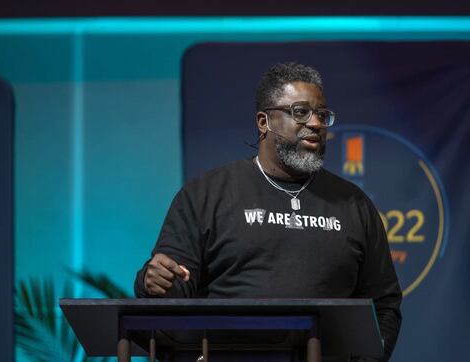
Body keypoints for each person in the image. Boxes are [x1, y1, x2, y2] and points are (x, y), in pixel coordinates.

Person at [134, 62, 402, 359]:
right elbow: (172, 292)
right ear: (264, 121)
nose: (315, 123)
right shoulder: (206, 195)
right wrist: (153, 281)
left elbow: (384, 304)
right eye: (300, 112)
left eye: (322, 116)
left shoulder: (354, 204)